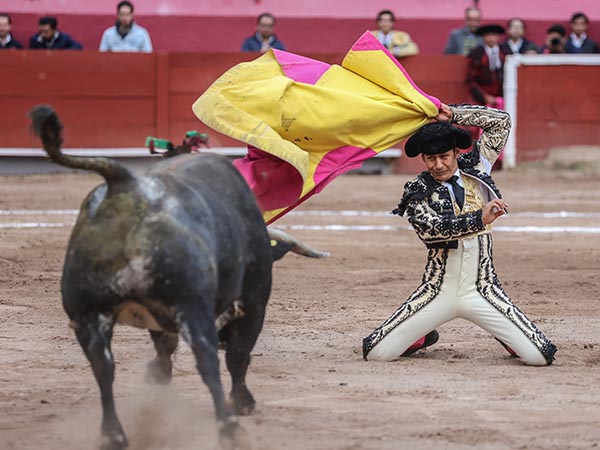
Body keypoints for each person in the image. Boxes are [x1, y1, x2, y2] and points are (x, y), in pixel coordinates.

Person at [362, 103, 557, 366]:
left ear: (456, 152)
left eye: (444, 156)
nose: (438, 165)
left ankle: (503, 329)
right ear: (423, 159)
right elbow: (429, 231)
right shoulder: (417, 188)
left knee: (539, 356)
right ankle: (421, 335)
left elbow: (501, 122)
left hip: (484, 288)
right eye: (431, 159)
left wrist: (453, 114)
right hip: (436, 289)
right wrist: (480, 219)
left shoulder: (477, 166)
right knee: (376, 353)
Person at [466, 24, 510, 108]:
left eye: (494, 35)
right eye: (488, 35)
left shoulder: (506, 51)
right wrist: (484, 96)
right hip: (482, 97)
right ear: (483, 37)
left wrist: (507, 95)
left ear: (498, 37)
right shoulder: (476, 53)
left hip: (504, 95)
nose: (491, 38)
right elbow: (471, 80)